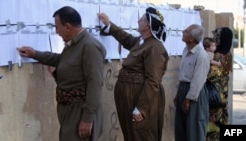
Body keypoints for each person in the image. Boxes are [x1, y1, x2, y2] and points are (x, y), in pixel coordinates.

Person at [17, 6, 106, 141]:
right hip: (70, 111)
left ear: (68, 27)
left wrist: (87, 118)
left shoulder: (89, 46)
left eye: (57, 27)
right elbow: (61, 60)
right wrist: (35, 54)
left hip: (80, 112)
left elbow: (95, 83)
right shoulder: (75, 44)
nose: (56, 32)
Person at [98, 7, 169, 141]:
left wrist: (141, 108)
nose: (138, 21)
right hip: (129, 96)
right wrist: (109, 25)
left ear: (148, 25)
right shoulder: (141, 42)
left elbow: (153, 80)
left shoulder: (155, 47)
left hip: (140, 98)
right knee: (130, 134)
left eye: (141, 19)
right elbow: (126, 39)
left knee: (141, 134)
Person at [174, 24, 210, 141]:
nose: (183, 31)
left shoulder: (201, 55)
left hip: (195, 94)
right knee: (181, 129)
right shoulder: (186, 50)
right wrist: (178, 94)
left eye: (187, 31)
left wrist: (188, 99)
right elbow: (183, 75)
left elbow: (198, 80)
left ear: (191, 38)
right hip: (183, 89)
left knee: (194, 130)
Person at [206, 27, 233, 141]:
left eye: (216, 37)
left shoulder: (215, 56)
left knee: (212, 127)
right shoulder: (228, 54)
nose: (214, 39)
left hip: (214, 96)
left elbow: (210, 75)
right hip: (223, 94)